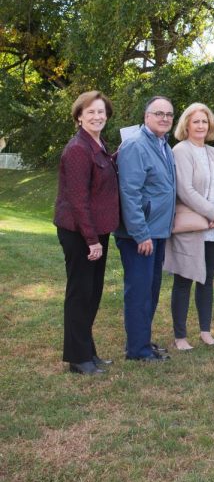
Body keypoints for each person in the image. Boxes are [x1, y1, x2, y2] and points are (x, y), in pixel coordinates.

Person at [53, 91, 119, 375]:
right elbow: (78, 199)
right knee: (80, 294)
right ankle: (78, 359)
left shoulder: (98, 143)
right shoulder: (78, 148)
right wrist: (91, 240)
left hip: (96, 229)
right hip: (80, 231)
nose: (97, 116)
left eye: (101, 112)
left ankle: (87, 351)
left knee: (92, 294)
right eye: (90, 112)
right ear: (79, 116)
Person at [165, 103, 214, 350]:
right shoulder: (180, 151)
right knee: (184, 281)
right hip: (192, 231)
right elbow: (185, 190)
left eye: (204, 121)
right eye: (196, 121)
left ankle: (205, 332)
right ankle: (180, 336)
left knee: (207, 281)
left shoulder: (213, 152)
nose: (201, 126)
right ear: (186, 125)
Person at [115, 95, 177, 362]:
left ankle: (142, 341)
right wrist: (141, 234)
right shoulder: (135, 146)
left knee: (150, 291)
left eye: (169, 114)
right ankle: (137, 351)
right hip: (140, 235)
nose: (164, 118)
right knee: (139, 292)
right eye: (158, 113)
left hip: (158, 231)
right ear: (146, 116)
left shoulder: (164, 145)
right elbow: (129, 192)